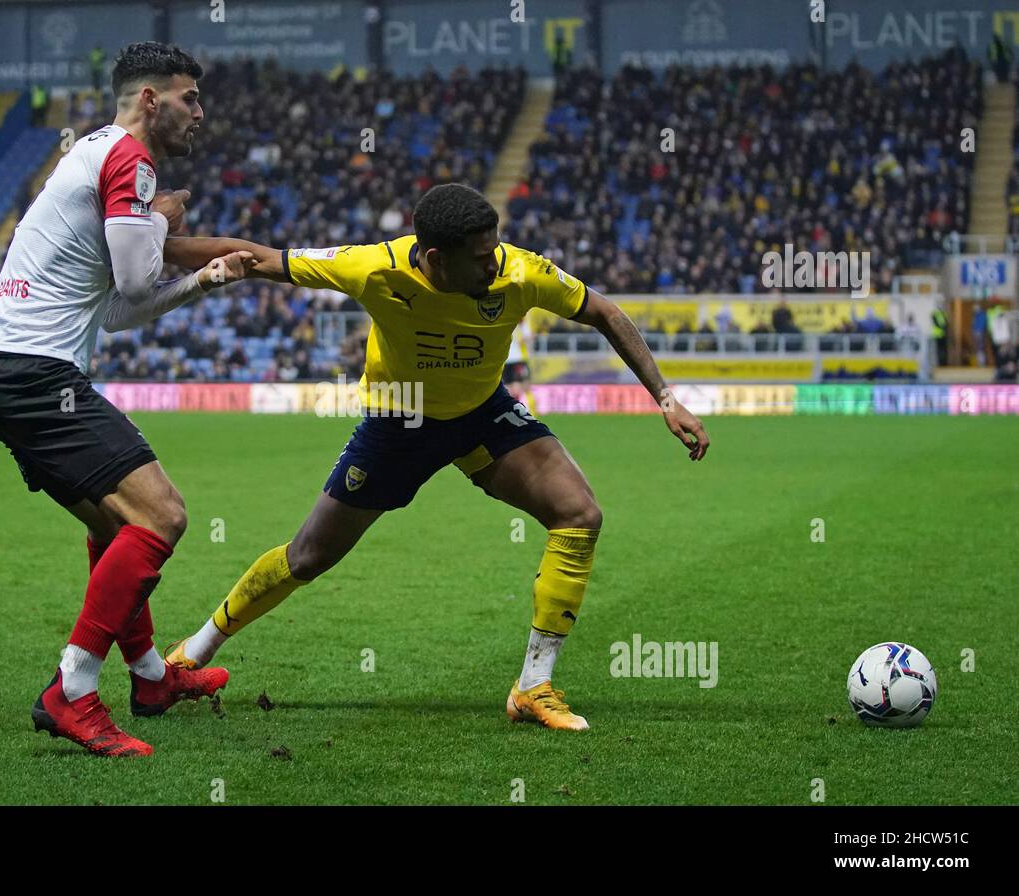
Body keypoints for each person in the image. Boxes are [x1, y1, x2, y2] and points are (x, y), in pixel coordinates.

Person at [161, 184, 710, 731]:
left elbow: (606, 313)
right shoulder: (374, 268)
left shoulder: (520, 271)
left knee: (580, 514)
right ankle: (196, 650)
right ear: (433, 259)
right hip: (401, 420)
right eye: (478, 259)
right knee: (308, 556)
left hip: (480, 414)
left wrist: (666, 399)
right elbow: (259, 258)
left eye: (494, 250)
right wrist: (157, 243)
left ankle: (533, 687)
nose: (493, 266)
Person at [0, 42, 250, 758]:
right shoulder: (129, 160)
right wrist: (166, 228)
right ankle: (72, 691)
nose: (200, 112)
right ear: (149, 99)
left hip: (10, 372)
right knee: (164, 515)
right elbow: (136, 282)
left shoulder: (94, 153)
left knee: (115, 522)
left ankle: (149, 679)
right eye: (188, 97)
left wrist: (202, 278)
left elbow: (117, 309)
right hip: (34, 375)